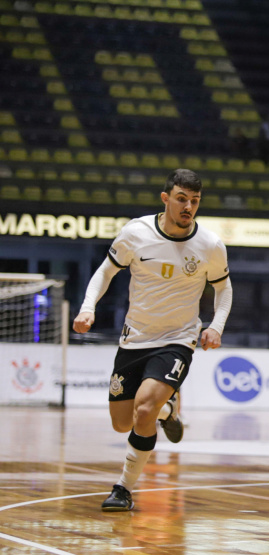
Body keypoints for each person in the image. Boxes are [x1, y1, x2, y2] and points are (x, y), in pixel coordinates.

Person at [73, 169, 232, 512]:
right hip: (135, 338)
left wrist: (216, 326)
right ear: (166, 199)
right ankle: (169, 408)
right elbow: (105, 271)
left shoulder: (210, 245)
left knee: (143, 409)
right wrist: (88, 308)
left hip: (178, 339)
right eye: (181, 199)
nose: (188, 206)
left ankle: (123, 488)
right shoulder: (136, 233)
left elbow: (223, 288)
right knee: (122, 422)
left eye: (195, 201)